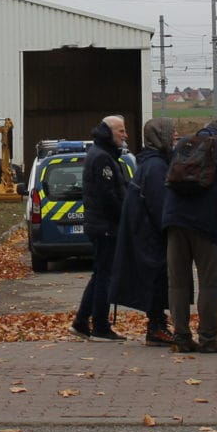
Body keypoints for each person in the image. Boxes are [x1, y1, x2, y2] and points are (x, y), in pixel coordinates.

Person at [163, 120, 217, 353]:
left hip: (174, 220)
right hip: (206, 222)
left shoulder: (183, 144)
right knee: (208, 282)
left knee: (177, 283)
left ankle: (181, 337)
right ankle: (208, 338)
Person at [114, 117, 176, 345]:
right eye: (171, 133)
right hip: (151, 236)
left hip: (145, 233)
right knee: (157, 281)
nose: (175, 137)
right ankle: (156, 327)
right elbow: (160, 204)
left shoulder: (148, 163)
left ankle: (158, 324)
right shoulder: (156, 167)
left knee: (157, 280)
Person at [70, 114, 129, 341]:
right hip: (106, 226)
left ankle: (82, 321)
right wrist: (124, 218)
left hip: (101, 224)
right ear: (108, 132)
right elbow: (109, 197)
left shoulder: (103, 155)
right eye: (121, 131)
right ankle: (101, 326)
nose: (125, 135)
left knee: (100, 274)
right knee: (106, 276)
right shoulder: (103, 158)